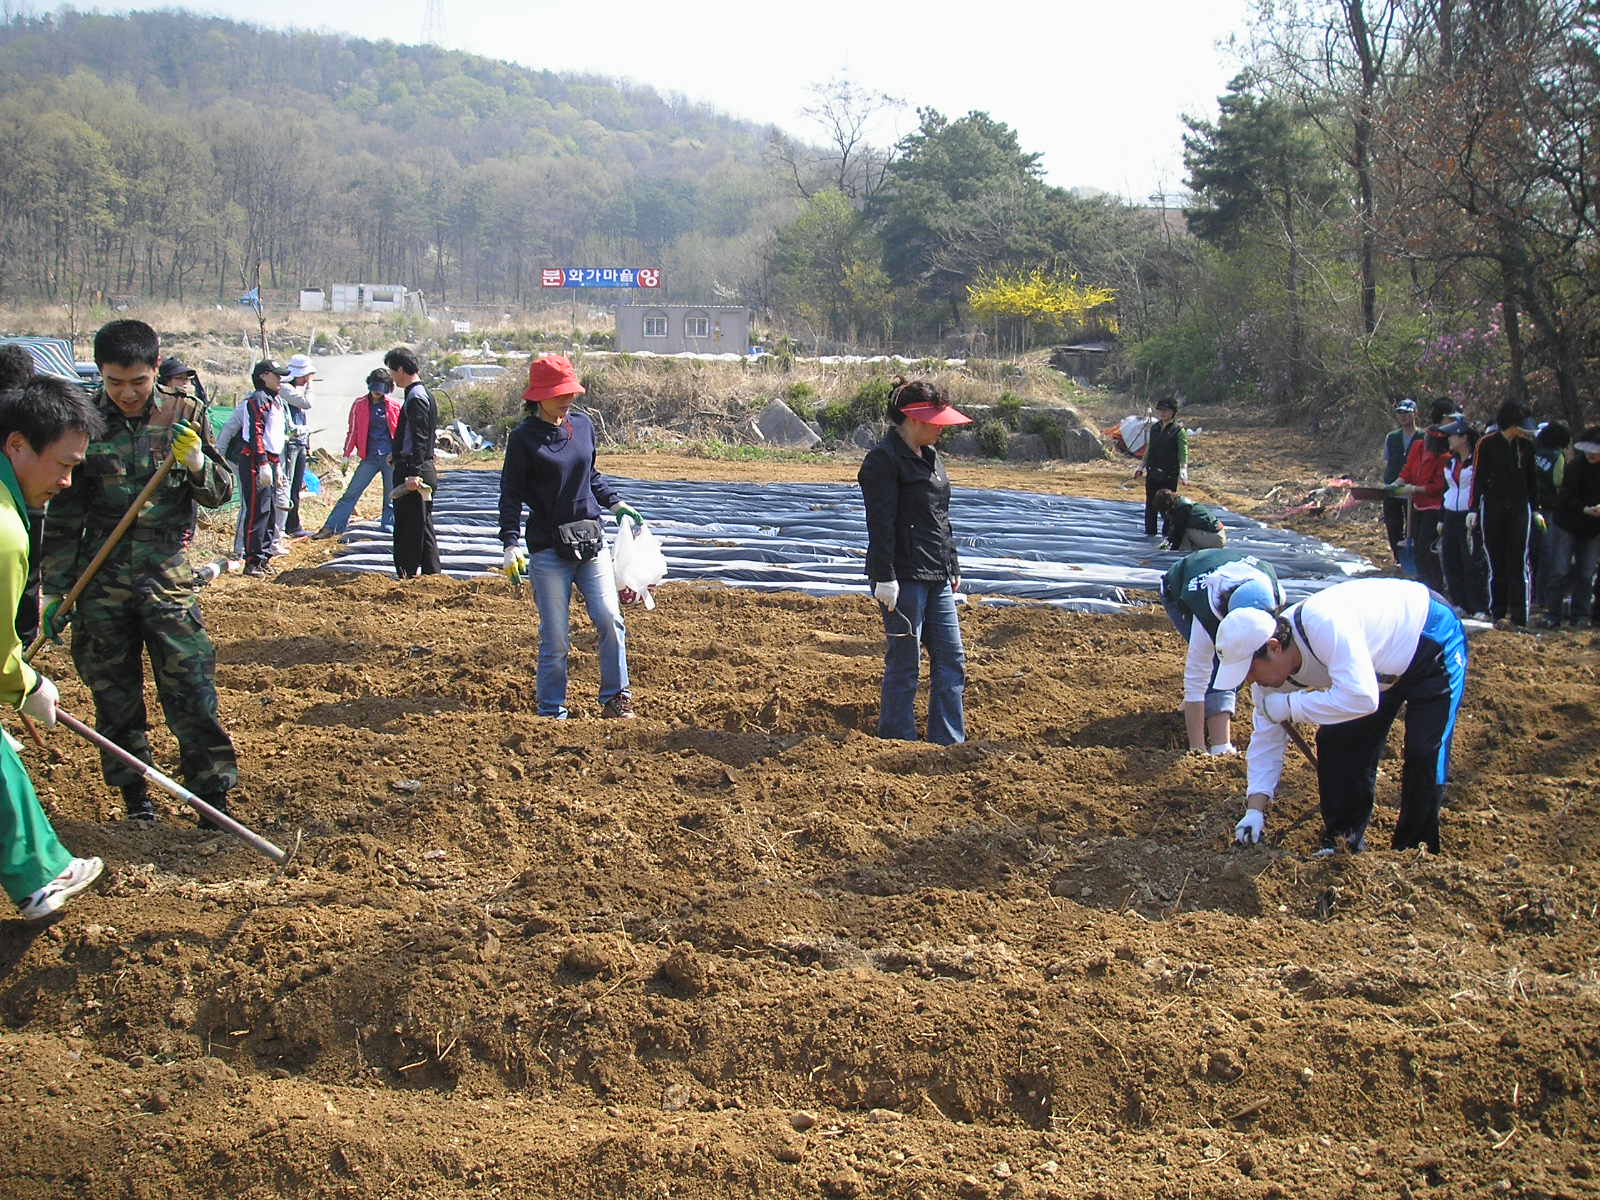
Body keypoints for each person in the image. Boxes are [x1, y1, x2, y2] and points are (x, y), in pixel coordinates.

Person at [39, 319, 238, 826]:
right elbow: (65, 517)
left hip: (167, 582)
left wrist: (195, 463)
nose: (126, 394)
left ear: (156, 370)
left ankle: (212, 797)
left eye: (137, 382)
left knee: (191, 691)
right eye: (113, 382)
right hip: (100, 583)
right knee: (114, 697)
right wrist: (54, 592)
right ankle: (136, 800)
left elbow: (218, 494)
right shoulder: (83, 419)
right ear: (101, 375)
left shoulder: (184, 414)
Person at [1217, 577, 1467, 854]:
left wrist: (1291, 706)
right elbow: (1266, 740)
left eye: (1250, 671)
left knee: (1425, 751)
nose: (1250, 681)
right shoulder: (1270, 680)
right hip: (1370, 668)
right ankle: (1342, 841)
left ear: (1274, 647)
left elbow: (1363, 698)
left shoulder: (1323, 625)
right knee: (1338, 741)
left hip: (1428, 638)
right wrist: (1255, 810)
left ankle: (1414, 849)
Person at [0, 376, 106, 919]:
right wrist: (27, 685)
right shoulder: (6, 532)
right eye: (62, 464)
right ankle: (41, 874)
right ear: (17, 445)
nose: (67, 481)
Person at [498, 355, 643, 719]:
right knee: (557, 636)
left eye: (570, 392)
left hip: (590, 539)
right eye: (559, 393)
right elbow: (510, 495)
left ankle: (615, 696)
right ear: (538, 396)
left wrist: (616, 503)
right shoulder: (523, 439)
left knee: (610, 617)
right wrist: (511, 543)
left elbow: (591, 475)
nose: (567, 400)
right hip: (548, 547)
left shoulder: (582, 425)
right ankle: (551, 708)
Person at [858, 379, 971, 745]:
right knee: (906, 664)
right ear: (913, 418)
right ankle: (897, 740)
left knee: (951, 659)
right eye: (936, 420)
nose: (942, 427)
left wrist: (951, 564)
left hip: (936, 573)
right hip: (904, 576)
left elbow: (941, 516)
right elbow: (880, 521)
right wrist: (883, 576)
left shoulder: (933, 458)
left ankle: (949, 741)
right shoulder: (884, 460)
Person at [1159, 548, 1284, 755]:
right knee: (1220, 661)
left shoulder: (1274, 595)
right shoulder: (1206, 615)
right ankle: (1219, 745)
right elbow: (1196, 678)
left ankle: (1203, 712)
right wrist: (1197, 750)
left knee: (1236, 661)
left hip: (1223, 566)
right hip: (1178, 587)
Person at [1471, 399, 1539, 626]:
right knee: (1497, 562)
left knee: (1518, 562)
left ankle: (1520, 616)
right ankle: (1498, 613)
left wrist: (1535, 509)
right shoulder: (1486, 444)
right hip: (1493, 508)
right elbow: (1477, 479)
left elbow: (1532, 481)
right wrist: (1473, 509)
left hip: (1520, 509)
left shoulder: (1526, 447)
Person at [314, 367, 402, 538]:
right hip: (369, 457)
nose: (377, 394)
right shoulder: (359, 404)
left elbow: (400, 433)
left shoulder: (395, 406)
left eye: (381, 391)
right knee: (351, 493)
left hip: (391, 458)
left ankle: (388, 528)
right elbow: (352, 431)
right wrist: (346, 454)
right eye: (375, 390)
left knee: (391, 496)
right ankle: (332, 527)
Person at [384, 346, 440, 578]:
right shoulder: (421, 393)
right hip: (418, 466)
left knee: (409, 527)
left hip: (414, 471)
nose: (392, 377)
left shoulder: (416, 397)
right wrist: (396, 454)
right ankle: (432, 575)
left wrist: (413, 472)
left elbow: (420, 437)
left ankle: (407, 575)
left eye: (392, 371)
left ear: (401, 369)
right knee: (423, 525)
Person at [1392, 399, 1451, 595]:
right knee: (1416, 545)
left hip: (1434, 507)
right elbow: (1407, 470)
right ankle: (1422, 581)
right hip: (1417, 505)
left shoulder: (1444, 457)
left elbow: (1438, 486)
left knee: (1427, 546)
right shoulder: (1418, 448)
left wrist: (1415, 489)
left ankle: (1435, 584)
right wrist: (1395, 486)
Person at [1543, 425, 1600, 628]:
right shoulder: (1574, 467)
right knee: (1560, 570)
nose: (1592, 455)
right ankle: (1552, 614)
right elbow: (1565, 497)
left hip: (1593, 528)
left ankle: (1581, 615)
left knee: (1586, 572)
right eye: (1589, 450)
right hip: (1567, 523)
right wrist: (1584, 509)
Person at [236, 360, 287, 577]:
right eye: (276, 375)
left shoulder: (275, 400)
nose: (280, 380)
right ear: (264, 376)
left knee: (271, 511)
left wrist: (277, 466)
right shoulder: (258, 399)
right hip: (257, 460)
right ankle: (252, 560)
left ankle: (264, 555)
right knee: (258, 510)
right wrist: (263, 461)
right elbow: (256, 432)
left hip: (272, 459)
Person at [1436, 417, 1489, 618]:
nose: (1449, 439)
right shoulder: (1450, 461)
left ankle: (1478, 605)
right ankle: (1459, 602)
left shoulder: (1477, 460)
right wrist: (1441, 517)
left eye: (1453, 435)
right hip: (1450, 513)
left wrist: (1475, 509)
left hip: (1469, 514)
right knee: (1451, 559)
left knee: (1472, 560)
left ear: (1464, 437)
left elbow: (1481, 486)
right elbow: (1446, 489)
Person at [275, 354, 316, 546]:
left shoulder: (292, 389)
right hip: (289, 444)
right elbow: (306, 403)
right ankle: (283, 527)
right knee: (287, 485)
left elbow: (303, 416)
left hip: (299, 442)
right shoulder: (285, 389)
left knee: (296, 486)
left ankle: (293, 524)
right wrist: (310, 386)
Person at [1531, 421, 1570, 617]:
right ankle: (1543, 599)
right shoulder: (1557, 457)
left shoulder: (1533, 452)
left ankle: (1532, 597)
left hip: (1530, 507)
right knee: (1548, 555)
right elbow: (1558, 481)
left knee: (1532, 554)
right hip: (1549, 510)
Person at [1136, 395, 1188, 536]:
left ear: (1173, 412)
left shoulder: (1178, 431)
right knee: (1151, 505)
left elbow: (1183, 451)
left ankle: (1167, 536)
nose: (1163, 413)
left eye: (1166, 410)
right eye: (1161, 411)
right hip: (1153, 471)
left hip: (1169, 474)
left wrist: (1183, 469)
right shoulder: (1155, 428)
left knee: (1168, 506)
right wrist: (1141, 466)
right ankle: (1150, 533)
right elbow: (1149, 448)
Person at [1381, 398, 1422, 564]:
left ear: (1415, 414)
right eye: (1400, 413)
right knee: (1393, 525)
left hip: (1414, 489)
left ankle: (1414, 559)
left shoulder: (1424, 436)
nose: (1403, 416)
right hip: (1393, 487)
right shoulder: (1391, 437)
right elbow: (1387, 460)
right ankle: (1399, 558)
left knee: (1414, 526)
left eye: (1406, 413)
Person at [1153, 488, 1226, 551]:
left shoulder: (1182, 509)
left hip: (1215, 539)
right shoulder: (1180, 502)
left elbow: (1178, 533)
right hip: (1214, 536)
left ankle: (1182, 554)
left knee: (1183, 532)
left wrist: (1172, 551)